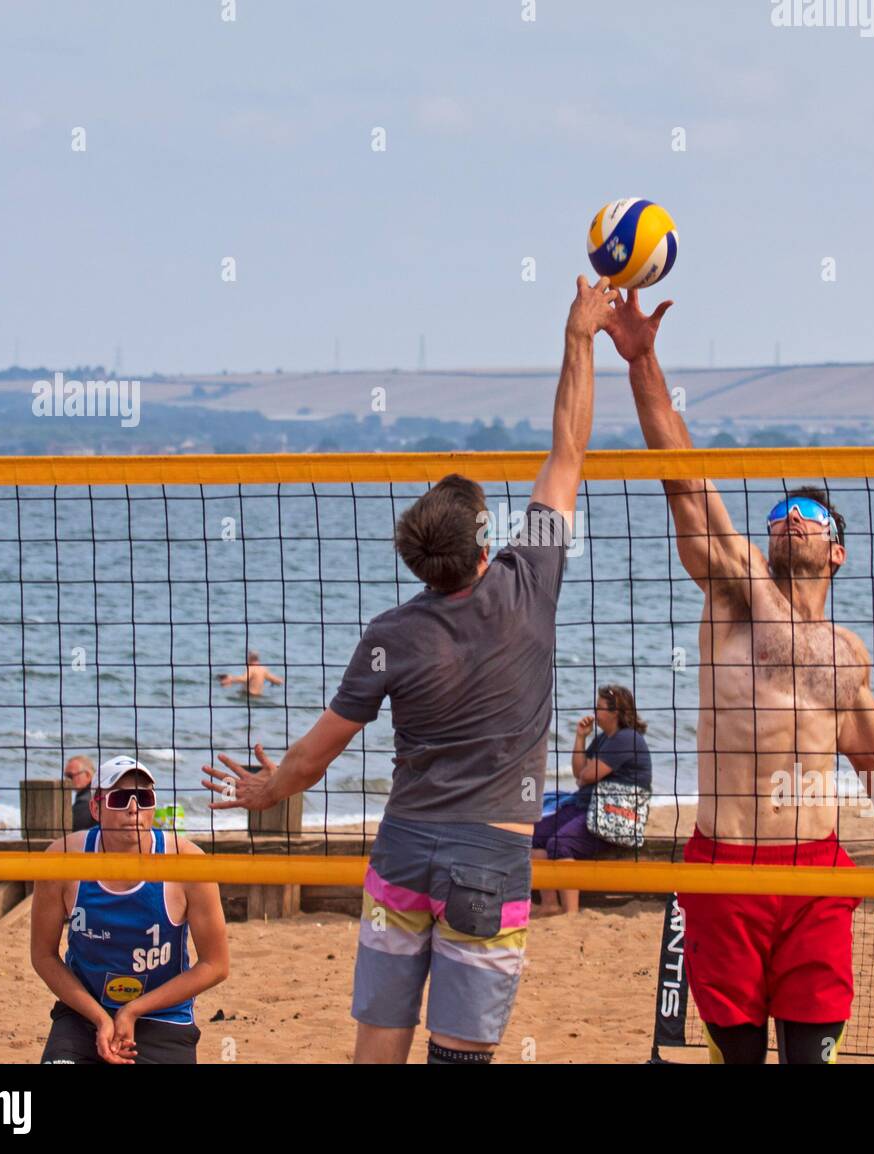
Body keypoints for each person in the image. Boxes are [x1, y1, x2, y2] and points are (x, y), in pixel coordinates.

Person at [203, 275, 617, 1064]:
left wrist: (264, 791)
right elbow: (568, 450)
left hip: (403, 851)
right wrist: (579, 335)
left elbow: (314, 757)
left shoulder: (390, 633)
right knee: (458, 1057)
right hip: (488, 857)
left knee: (377, 1048)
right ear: (484, 547)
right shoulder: (528, 585)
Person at [606, 288, 874, 1065]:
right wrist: (643, 359)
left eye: (811, 512)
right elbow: (682, 479)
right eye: (782, 507)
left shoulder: (846, 656)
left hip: (814, 871)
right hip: (727, 868)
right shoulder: (735, 588)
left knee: (812, 1059)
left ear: (837, 551)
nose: (791, 517)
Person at [30, 756, 229, 1064]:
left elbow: (216, 964)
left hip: (163, 1016)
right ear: (96, 808)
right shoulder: (62, 859)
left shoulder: (188, 862)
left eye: (144, 798)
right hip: (85, 1013)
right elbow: (43, 956)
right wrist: (100, 1017)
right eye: (121, 798)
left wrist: (133, 1010)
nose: (133, 808)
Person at [532, 684, 652, 916]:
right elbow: (580, 774)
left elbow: (588, 775)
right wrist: (580, 738)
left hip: (612, 815)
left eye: (599, 708)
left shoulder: (627, 739)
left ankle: (571, 912)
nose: (595, 712)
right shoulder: (604, 739)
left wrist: (586, 776)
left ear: (615, 712)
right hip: (585, 806)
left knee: (561, 843)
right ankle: (549, 904)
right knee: (536, 835)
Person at [218, 651, 283, 697]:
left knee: (225, 685)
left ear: (249, 659)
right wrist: (279, 681)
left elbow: (244, 679)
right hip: (258, 696)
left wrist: (230, 679)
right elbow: (276, 680)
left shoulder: (251, 669)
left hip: (248, 695)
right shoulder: (264, 669)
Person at [64, 755, 96, 832]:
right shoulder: (98, 793)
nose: (67, 780)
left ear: (88, 775)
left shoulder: (84, 802)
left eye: (70, 776)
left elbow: (71, 827)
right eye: (66, 776)